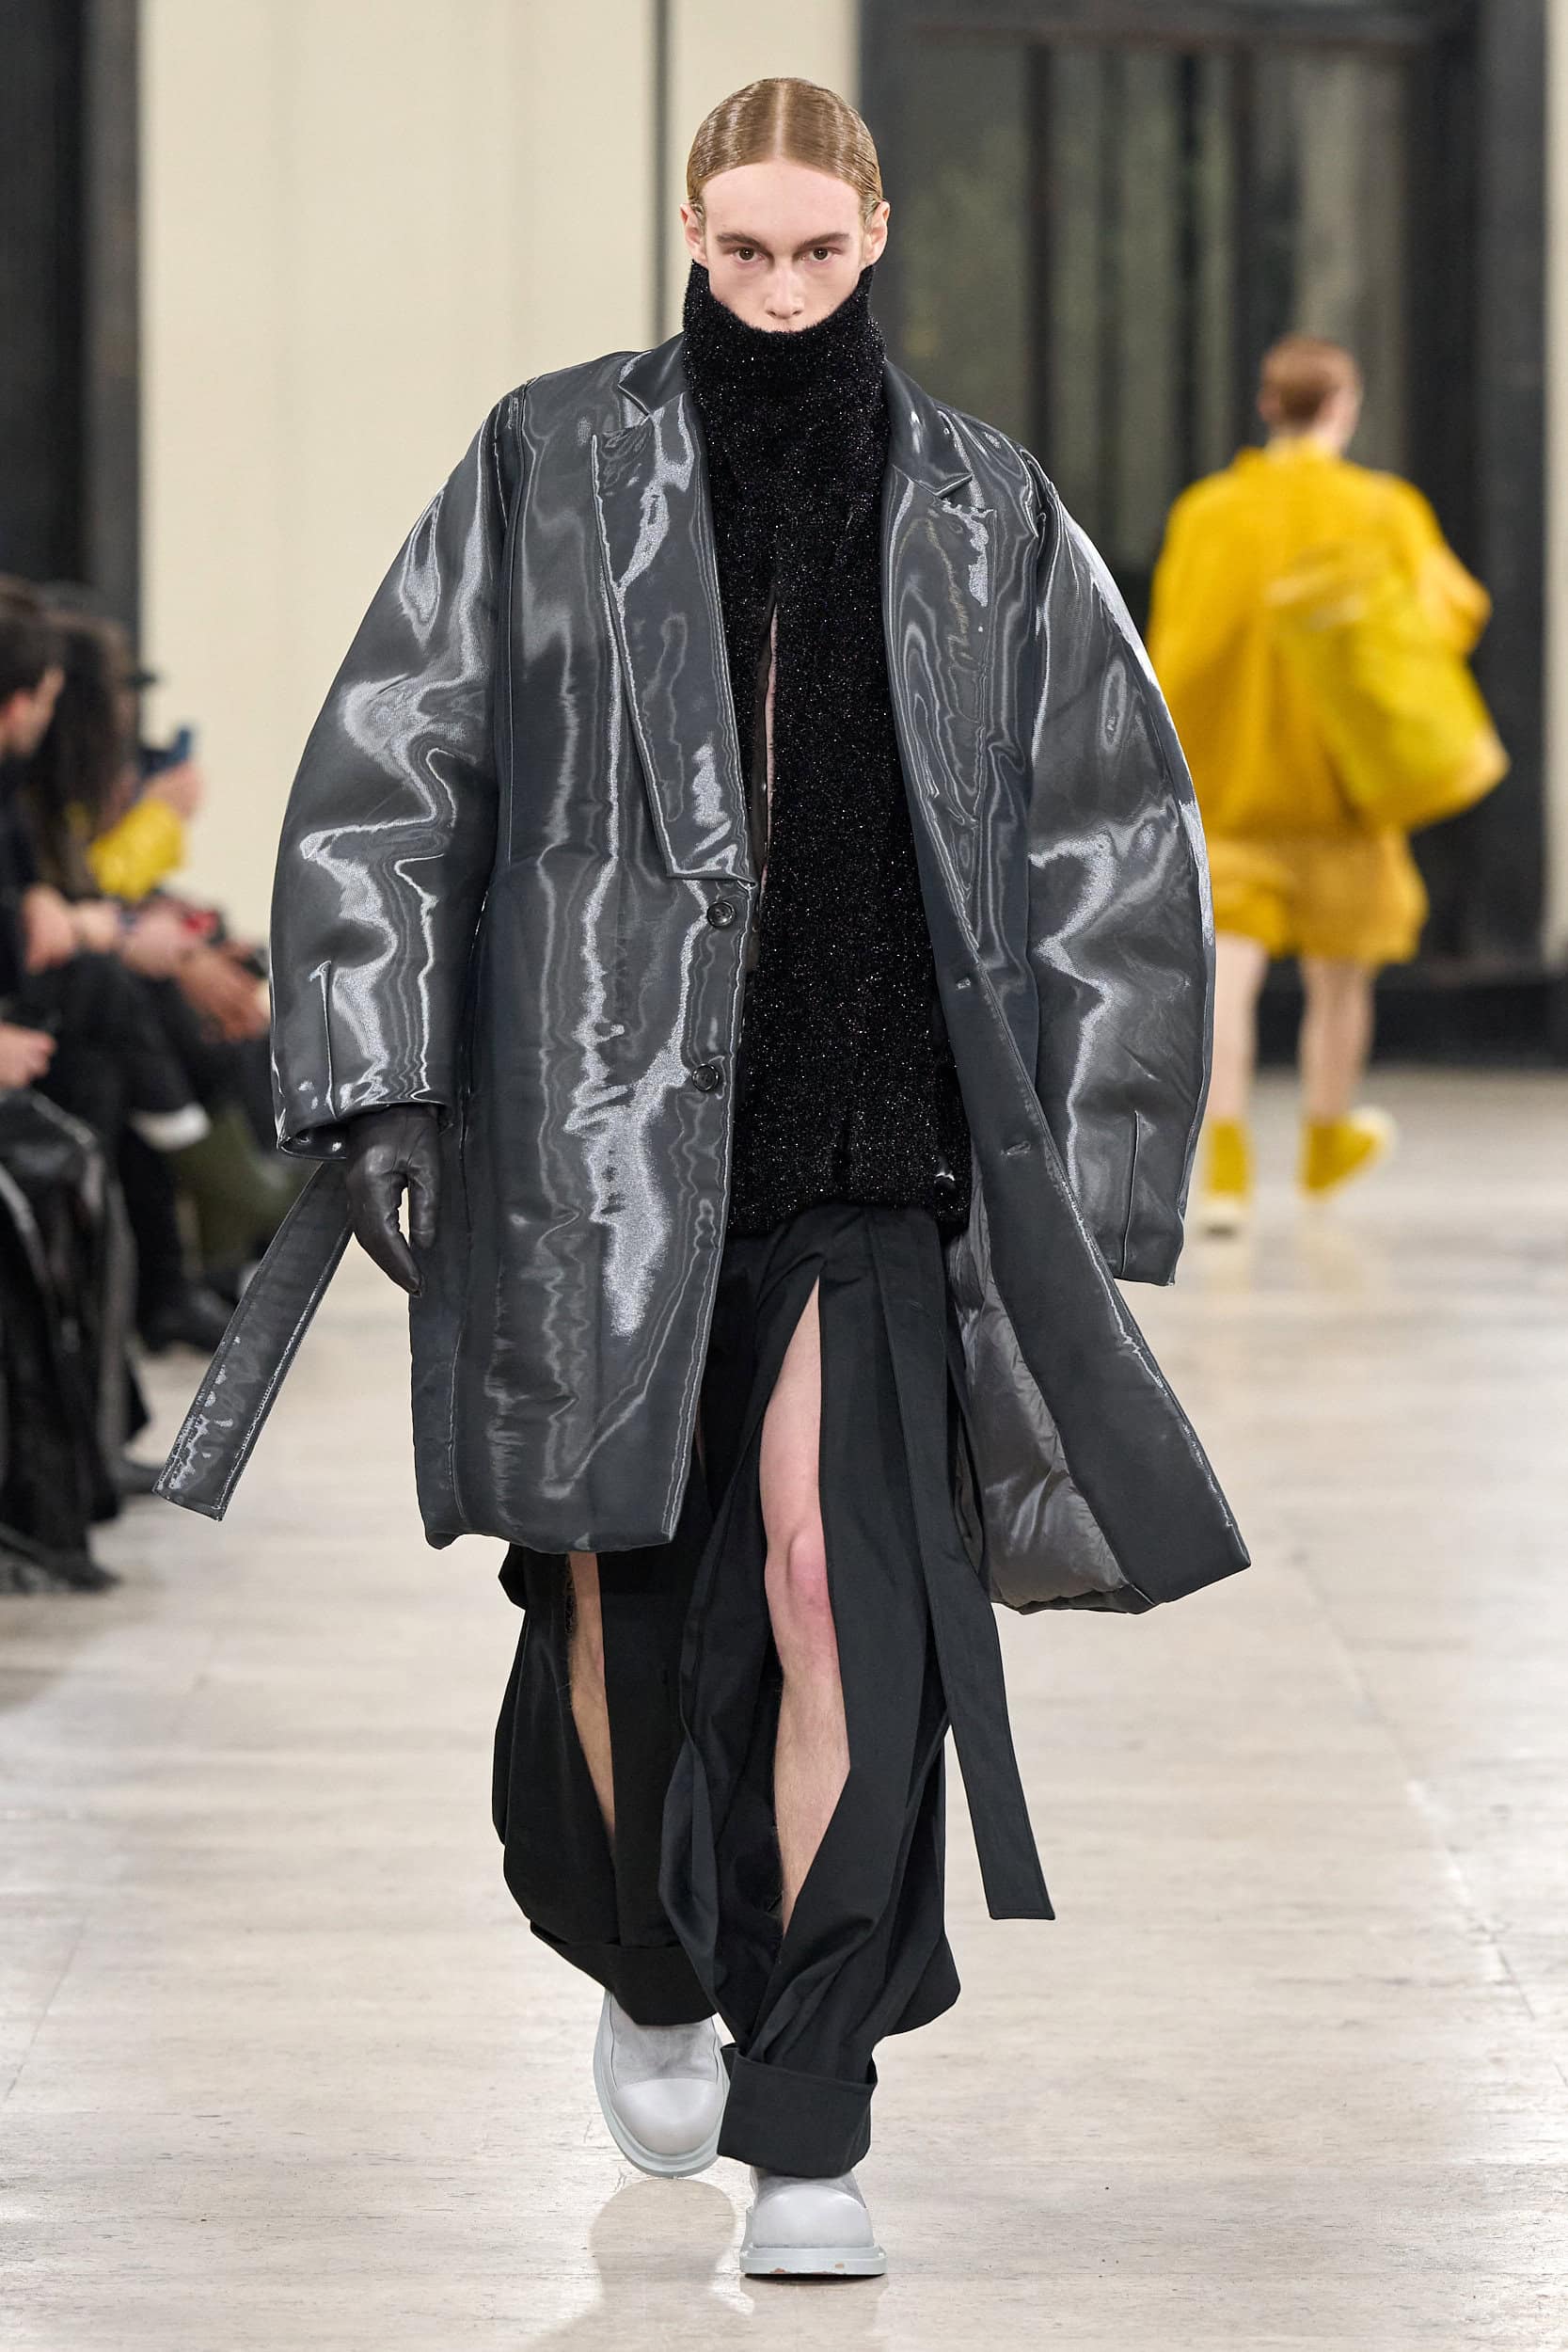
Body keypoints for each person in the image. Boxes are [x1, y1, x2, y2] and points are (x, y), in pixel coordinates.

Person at [159, 80, 1246, 2280]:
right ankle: (646, 1956)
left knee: (845, 1591)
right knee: (620, 1610)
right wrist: (379, 1079)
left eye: (812, 252)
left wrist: (1100, 1166)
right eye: (739, 251)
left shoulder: (985, 508)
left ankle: (813, 2107)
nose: (774, 290)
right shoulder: (549, 461)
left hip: (867, 1131)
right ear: (687, 230)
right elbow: (396, 760)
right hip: (597, 1139)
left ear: (874, 236)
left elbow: (1110, 832)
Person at [1148, 335, 1493, 1234]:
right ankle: (1324, 1142)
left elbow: (1173, 649)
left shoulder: (1208, 513)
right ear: (1343, 407)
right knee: (1341, 982)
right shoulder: (1382, 509)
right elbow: (1451, 616)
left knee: (1227, 983)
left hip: (1234, 791)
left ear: (1267, 407)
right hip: (1345, 795)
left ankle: (1224, 1174)